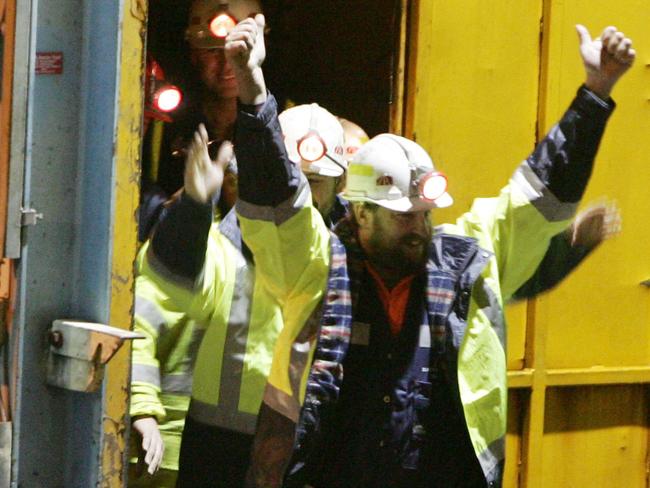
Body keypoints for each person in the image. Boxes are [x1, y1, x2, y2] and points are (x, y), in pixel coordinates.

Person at [224, 16, 635, 487]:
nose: (418, 227)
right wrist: (253, 90)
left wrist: (595, 94)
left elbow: (535, 197)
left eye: (424, 212)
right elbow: (278, 204)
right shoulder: (318, 267)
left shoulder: (464, 265)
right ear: (360, 214)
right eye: (403, 215)